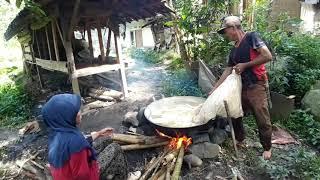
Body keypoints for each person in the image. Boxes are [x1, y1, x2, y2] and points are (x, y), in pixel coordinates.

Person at [211, 16, 273, 160]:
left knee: (261, 117)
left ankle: (267, 147)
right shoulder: (233, 51)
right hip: (240, 87)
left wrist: (245, 65)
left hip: (256, 85)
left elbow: (267, 56)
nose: (225, 35)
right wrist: (215, 89)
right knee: (235, 113)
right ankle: (240, 139)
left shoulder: (252, 37)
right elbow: (227, 70)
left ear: (233, 28)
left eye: (225, 31)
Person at [41, 93, 128, 179]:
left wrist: (99, 133)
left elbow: (76, 148)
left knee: (108, 141)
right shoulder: (75, 141)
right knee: (115, 148)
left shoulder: (57, 133)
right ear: (65, 116)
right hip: (85, 176)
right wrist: (96, 169)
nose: (80, 112)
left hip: (67, 174)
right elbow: (82, 176)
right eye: (75, 111)